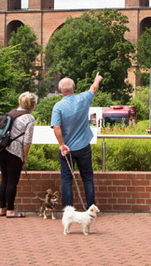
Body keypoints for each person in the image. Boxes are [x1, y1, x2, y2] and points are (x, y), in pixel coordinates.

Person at [51, 72, 103, 209]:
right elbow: (93, 89)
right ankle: (91, 207)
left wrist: (62, 145)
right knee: (87, 178)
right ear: (74, 88)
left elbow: (56, 127)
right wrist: (97, 79)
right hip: (84, 146)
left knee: (67, 180)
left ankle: (68, 209)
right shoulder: (83, 99)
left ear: (61, 90)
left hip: (66, 149)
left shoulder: (58, 106)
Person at [0, 91, 38, 218]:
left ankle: (2, 208)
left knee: (4, 179)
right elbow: (27, 141)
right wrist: (24, 157)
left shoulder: (11, 113)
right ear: (33, 105)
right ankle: (10, 210)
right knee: (12, 182)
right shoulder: (29, 118)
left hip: (1, 149)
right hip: (14, 153)